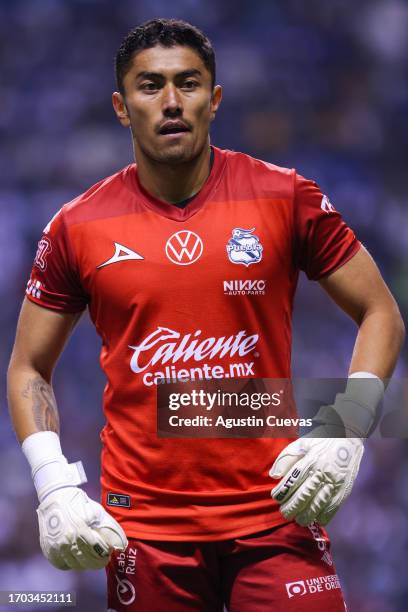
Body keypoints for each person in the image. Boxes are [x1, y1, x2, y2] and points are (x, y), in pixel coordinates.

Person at [7, 18, 405, 612]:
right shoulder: (75, 226)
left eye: (188, 83)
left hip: (278, 513)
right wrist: (53, 483)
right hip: (145, 531)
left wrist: (347, 424)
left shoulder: (284, 196)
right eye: (150, 86)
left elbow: (381, 312)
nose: (171, 102)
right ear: (121, 106)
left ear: (214, 99)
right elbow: (28, 367)